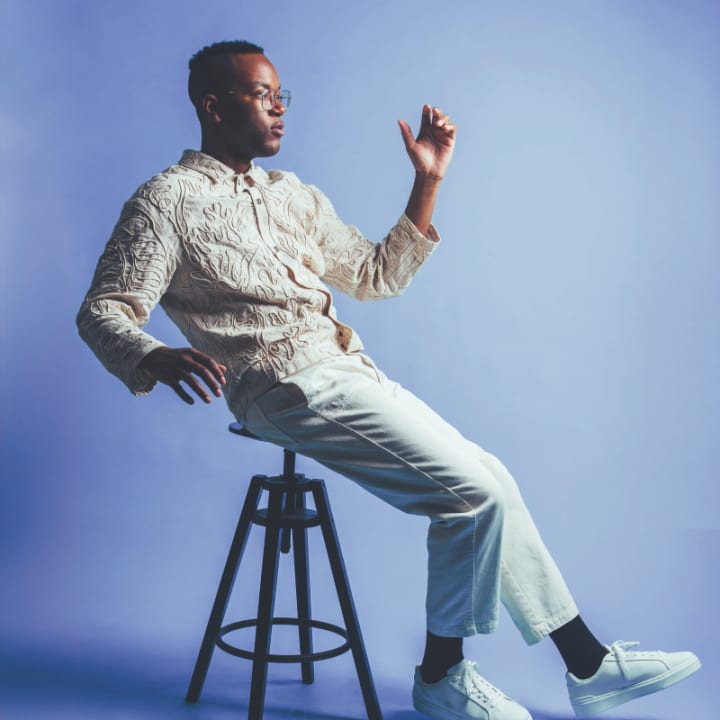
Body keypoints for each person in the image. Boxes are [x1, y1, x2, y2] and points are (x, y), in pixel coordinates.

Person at [76, 40, 700, 720]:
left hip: (345, 370)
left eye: (283, 96)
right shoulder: (166, 201)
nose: (279, 108)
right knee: (470, 498)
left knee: (492, 480)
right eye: (262, 95)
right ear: (213, 105)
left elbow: (376, 276)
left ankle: (587, 664)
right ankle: (441, 678)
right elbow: (104, 309)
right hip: (281, 385)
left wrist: (427, 180)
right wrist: (153, 355)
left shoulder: (293, 195)